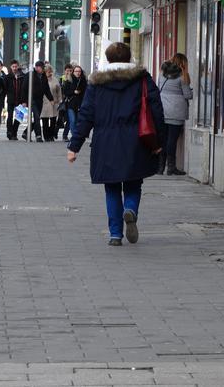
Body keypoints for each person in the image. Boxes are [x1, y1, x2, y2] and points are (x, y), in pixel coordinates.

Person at [67, 42, 165, 246]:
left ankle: (115, 234)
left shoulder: (96, 83)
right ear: (129, 58)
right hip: (136, 141)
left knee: (111, 188)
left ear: (108, 59)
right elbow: (156, 109)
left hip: (105, 141)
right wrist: (159, 141)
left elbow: (86, 114)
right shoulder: (142, 79)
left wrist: (74, 146)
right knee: (134, 182)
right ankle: (130, 209)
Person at [157, 53, 193, 175]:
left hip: (163, 110)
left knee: (163, 139)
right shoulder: (183, 77)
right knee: (172, 140)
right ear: (183, 63)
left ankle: (160, 167)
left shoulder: (162, 74)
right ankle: (171, 167)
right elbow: (188, 95)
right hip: (176, 112)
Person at [23, 61, 54, 142]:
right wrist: (24, 100)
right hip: (31, 100)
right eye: (41, 67)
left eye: (43, 68)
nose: (42, 69)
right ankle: (38, 135)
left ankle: (26, 133)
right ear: (36, 67)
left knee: (36, 118)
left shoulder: (43, 76)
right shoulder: (30, 75)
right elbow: (24, 88)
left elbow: (46, 89)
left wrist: (51, 99)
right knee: (36, 117)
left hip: (39, 100)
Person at [62, 65, 87, 141]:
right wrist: (73, 92)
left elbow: (86, 92)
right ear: (73, 72)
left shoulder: (83, 81)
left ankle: (68, 135)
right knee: (72, 120)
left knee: (77, 121)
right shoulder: (69, 80)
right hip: (71, 103)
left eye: (79, 71)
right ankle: (75, 137)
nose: (78, 73)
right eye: (76, 71)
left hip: (80, 104)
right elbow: (65, 92)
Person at [5, 60, 26, 141]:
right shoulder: (7, 77)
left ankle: (14, 133)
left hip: (20, 100)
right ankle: (9, 132)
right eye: (13, 67)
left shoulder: (22, 76)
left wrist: (24, 101)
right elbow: (5, 89)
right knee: (10, 116)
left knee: (18, 118)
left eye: (16, 66)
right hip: (11, 100)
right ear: (11, 67)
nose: (14, 68)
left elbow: (24, 89)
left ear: (18, 66)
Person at [42, 65, 62, 142]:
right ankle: (46, 136)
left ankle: (51, 135)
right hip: (44, 103)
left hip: (54, 102)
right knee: (45, 121)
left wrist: (60, 100)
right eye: (47, 71)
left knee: (53, 120)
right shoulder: (42, 79)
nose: (49, 73)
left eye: (50, 71)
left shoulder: (55, 80)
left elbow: (59, 91)